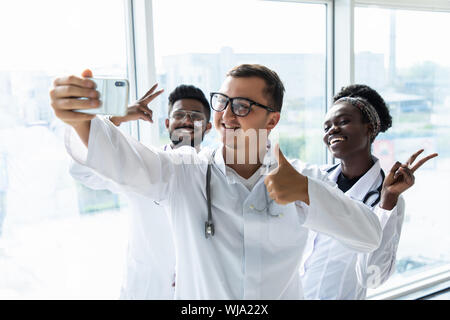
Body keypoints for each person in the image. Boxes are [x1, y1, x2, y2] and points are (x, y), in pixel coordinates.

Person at [51, 64, 387, 300]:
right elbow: (123, 161)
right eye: (222, 102)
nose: (226, 115)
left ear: (272, 119)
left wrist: (304, 191)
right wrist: (81, 120)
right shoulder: (183, 170)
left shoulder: (304, 178)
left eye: (242, 106)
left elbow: (370, 236)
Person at [69, 83, 212, 299]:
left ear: (208, 127)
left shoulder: (217, 171)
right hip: (147, 289)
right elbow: (82, 169)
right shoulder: (141, 164)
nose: (187, 121)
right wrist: (117, 118)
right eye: (179, 114)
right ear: (167, 123)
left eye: (196, 116)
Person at [296, 84, 438, 299]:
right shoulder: (316, 178)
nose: (332, 130)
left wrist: (387, 202)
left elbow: (373, 278)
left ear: (369, 128)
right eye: (326, 127)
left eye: (343, 122)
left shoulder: (388, 200)